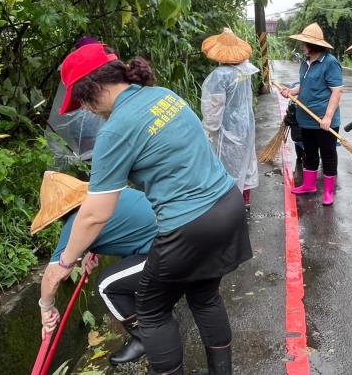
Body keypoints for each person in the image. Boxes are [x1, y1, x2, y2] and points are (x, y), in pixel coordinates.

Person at [42, 43, 252, 375]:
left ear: (91, 91)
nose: (87, 109)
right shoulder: (164, 96)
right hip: (228, 205)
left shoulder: (114, 130)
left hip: (189, 227)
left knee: (151, 308)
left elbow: (95, 213)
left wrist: (63, 263)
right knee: (204, 296)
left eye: (81, 101)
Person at [35, 171, 156, 365]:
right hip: (179, 230)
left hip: (165, 247)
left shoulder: (76, 222)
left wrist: (46, 308)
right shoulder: (107, 195)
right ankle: (158, 321)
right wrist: (92, 251)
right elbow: (121, 222)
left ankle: (144, 337)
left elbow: (52, 277)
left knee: (106, 285)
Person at [281, 23, 343, 206]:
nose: (302, 46)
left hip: (324, 120)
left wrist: (328, 117)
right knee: (309, 152)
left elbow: (337, 91)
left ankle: (329, 192)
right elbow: (304, 85)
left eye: (304, 43)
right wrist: (292, 91)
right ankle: (309, 185)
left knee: (328, 154)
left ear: (313, 45)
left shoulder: (330, 63)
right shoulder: (304, 63)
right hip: (305, 119)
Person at [201, 28, 258, 210]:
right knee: (245, 162)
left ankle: (229, 205)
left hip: (227, 129)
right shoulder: (244, 70)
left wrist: (208, 131)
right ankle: (245, 200)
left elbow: (213, 109)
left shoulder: (219, 76)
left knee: (227, 165)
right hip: (244, 125)